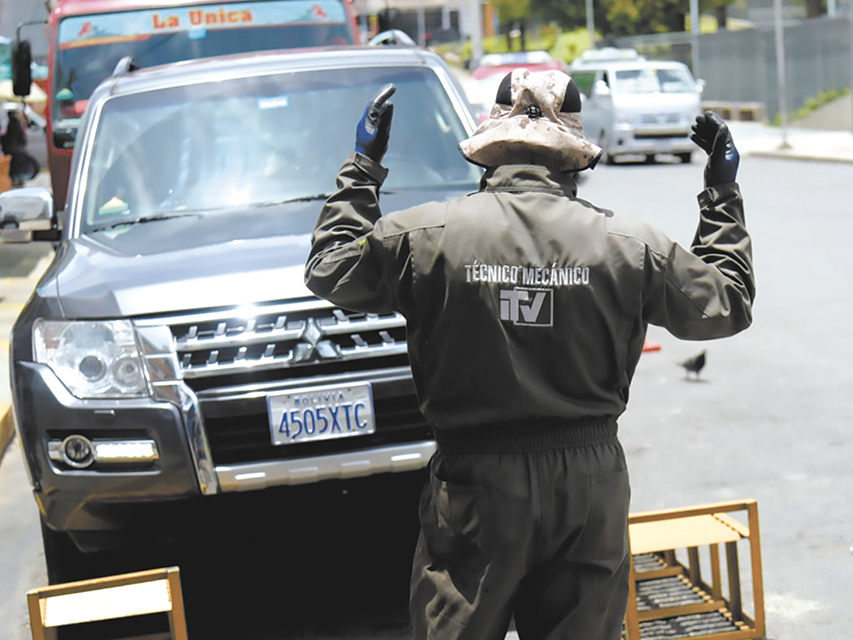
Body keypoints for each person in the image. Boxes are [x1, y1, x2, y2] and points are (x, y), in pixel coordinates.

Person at [304, 69, 754, 640]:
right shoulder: (631, 245)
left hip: (475, 485)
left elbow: (329, 268)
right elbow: (727, 303)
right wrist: (720, 193)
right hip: (589, 484)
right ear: (574, 155)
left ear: (490, 145)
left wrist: (363, 165)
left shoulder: (427, 234)